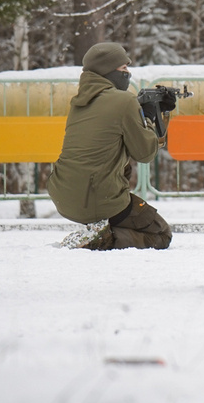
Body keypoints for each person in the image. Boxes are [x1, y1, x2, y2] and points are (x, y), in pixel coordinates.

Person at [48, 41, 173, 250]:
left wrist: (139, 112)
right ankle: (99, 240)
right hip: (98, 199)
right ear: (107, 71)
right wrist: (151, 118)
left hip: (63, 194)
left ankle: (96, 230)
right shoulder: (124, 101)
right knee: (160, 233)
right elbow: (144, 154)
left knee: (119, 163)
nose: (128, 73)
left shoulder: (78, 102)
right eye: (124, 68)